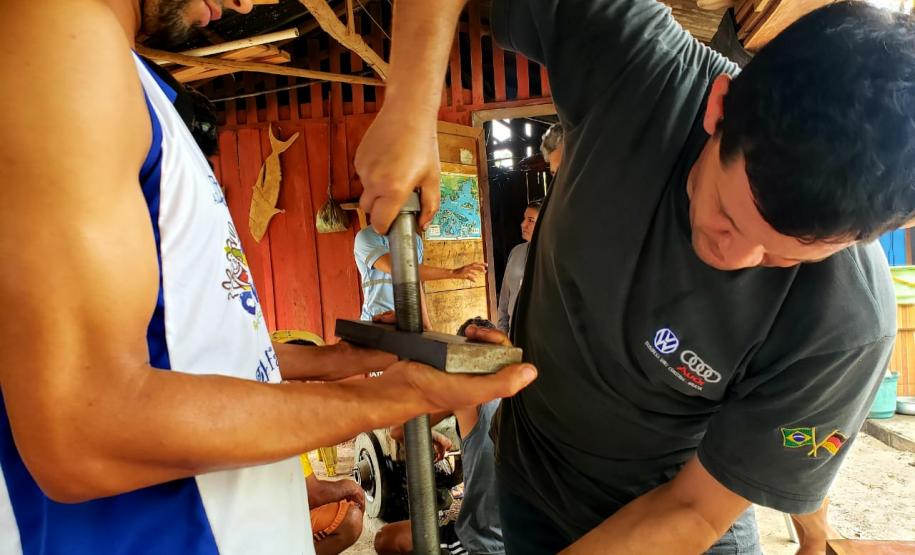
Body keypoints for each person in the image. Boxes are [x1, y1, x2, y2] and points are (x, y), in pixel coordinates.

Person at [353, 1, 915, 553]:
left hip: (674, 516)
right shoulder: (641, 72)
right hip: (528, 481)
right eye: (727, 214)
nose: (736, 257)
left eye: (783, 257)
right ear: (720, 107)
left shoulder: (847, 323)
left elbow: (697, 509)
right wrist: (409, 105)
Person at [0, 2, 537, 553]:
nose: (247, 4)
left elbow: (185, 351)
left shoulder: (130, 83)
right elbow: (83, 435)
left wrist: (334, 362)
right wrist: (397, 395)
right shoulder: (58, 35)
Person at [375, 317, 506, 555]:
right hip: (529, 537)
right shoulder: (527, 390)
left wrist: (432, 434)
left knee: (387, 539)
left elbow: (397, 429)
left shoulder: (465, 394)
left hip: (484, 543)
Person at [353, 225, 486, 321]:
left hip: (407, 324)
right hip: (375, 320)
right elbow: (398, 268)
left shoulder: (415, 240)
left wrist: (427, 326)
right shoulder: (366, 236)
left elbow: (415, 283)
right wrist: (452, 273)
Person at [300, 455, 365, 555]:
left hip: (273, 516)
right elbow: (314, 495)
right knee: (351, 520)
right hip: (277, 524)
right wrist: (350, 487)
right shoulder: (289, 442)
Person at [497, 202, 541, 333]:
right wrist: (503, 331)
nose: (523, 224)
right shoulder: (516, 252)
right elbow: (504, 299)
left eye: (531, 220)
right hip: (514, 333)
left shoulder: (554, 256)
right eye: (524, 219)